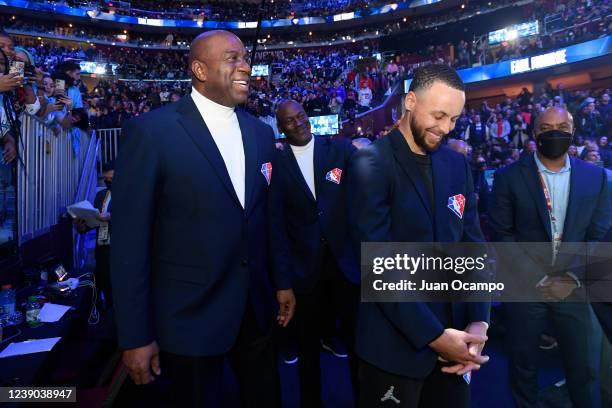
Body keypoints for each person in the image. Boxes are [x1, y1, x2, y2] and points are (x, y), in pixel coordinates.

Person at [110, 30, 292, 407]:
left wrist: (282, 283)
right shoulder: (151, 132)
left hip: (256, 314)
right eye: (232, 58)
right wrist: (134, 335)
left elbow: (267, 220)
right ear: (199, 69)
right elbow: (129, 242)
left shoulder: (260, 133)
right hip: (188, 322)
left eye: (245, 58)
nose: (245, 66)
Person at [348, 64, 490, 408]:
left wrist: (479, 320)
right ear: (410, 101)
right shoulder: (370, 164)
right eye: (439, 115)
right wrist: (436, 337)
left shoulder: (456, 166)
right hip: (393, 350)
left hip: (457, 349)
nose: (446, 128)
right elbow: (377, 265)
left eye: (454, 119)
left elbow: (474, 248)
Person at [489, 107, 611, 408]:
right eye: (546, 128)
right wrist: (538, 279)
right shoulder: (508, 177)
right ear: (534, 133)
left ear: (573, 131)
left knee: (584, 368)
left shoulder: (595, 177)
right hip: (526, 288)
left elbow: (599, 234)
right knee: (523, 367)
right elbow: (503, 235)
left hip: (575, 287)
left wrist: (570, 278)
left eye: (561, 126)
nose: (553, 133)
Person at [271, 100, 359, 407]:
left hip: (346, 267)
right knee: (308, 351)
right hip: (304, 272)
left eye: (301, 116)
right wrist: (284, 280)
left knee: (358, 346)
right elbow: (277, 227)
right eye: (290, 121)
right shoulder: (276, 165)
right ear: (280, 128)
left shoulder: (341, 150)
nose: (298, 123)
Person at [74, 161, 114, 310]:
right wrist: (80, 225)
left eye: (111, 178)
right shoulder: (100, 195)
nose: (107, 181)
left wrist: (111, 216)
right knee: (106, 291)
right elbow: (93, 220)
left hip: (120, 252)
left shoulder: (129, 194)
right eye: (105, 179)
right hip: (102, 250)